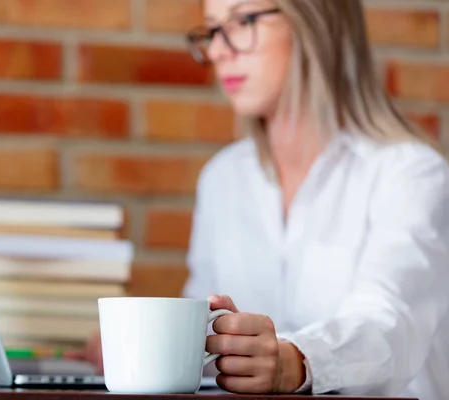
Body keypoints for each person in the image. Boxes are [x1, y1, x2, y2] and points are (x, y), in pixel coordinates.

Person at [65, 0, 449, 398]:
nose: (217, 51)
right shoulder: (222, 179)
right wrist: (147, 348)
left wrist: (296, 361)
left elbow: (391, 324)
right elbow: (205, 328)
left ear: (314, 23)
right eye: (213, 30)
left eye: (242, 21)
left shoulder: (411, 175)